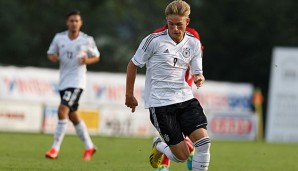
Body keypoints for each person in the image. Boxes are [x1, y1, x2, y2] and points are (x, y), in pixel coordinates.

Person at [125, 0, 211, 170]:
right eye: (171, 24)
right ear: (166, 21)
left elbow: (197, 72)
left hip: (185, 100)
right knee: (182, 156)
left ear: (187, 22)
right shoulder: (153, 41)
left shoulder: (193, 43)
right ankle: (159, 144)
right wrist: (129, 95)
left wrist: (199, 77)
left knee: (204, 143)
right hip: (160, 104)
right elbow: (132, 64)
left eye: (179, 24)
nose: (175, 29)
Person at [45, 10, 100, 161]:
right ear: (67, 22)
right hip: (63, 81)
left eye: (77, 20)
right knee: (72, 115)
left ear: (80, 23)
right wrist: (53, 57)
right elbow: (50, 53)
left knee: (62, 110)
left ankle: (55, 149)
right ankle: (89, 146)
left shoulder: (87, 40)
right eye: (71, 20)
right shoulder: (59, 38)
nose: (74, 23)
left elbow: (96, 56)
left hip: (77, 82)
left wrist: (86, 61)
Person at [153, 25, 203, 171]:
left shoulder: (193, 34)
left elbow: (197, 56)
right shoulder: (156, 35)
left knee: (180, 129)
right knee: (170, 129)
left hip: (183, 87)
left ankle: (183, 154)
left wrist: (197, 74)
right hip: (163, 91)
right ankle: (165, 164)